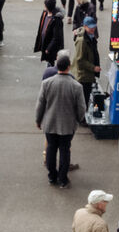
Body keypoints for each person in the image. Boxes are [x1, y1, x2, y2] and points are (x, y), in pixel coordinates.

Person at [35, 52, 86, 188]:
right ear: (69, 67)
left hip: (50, 123)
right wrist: (78, 119)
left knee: (51, 149)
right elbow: (81, 108)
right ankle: (63, 179)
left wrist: (38, 120)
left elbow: (40, 104)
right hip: (68, 125)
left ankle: (52, 176)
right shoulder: (76, 86)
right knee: (65, 150)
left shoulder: (46, 83)